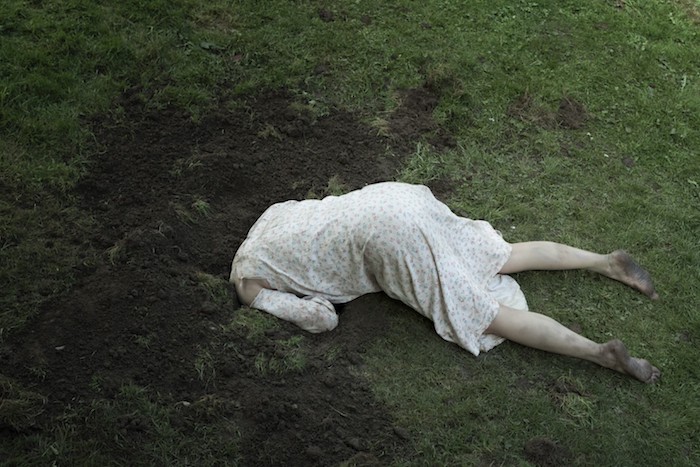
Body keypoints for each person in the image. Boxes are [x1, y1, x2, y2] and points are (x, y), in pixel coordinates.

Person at [230, 182, 660, 383]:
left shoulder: (248, 283)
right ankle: (605, 262)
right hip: (393, 198)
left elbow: (321, 319)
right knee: (503, 253)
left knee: (484, 314)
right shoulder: (270, 218)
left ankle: (598, 353)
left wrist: (284, 301)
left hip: (388, 237)